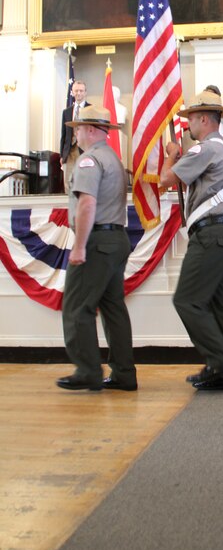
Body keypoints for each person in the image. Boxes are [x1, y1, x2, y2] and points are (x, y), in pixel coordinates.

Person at [159, 90, 223, 391]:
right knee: (219, 306)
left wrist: (171, 156)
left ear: (204, 119)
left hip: (211, 234)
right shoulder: (221, 148)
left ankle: (221, 363)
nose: (187, 125)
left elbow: (166, 180)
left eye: (191, 119)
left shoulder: (206, 148)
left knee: (188, 300)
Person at [56, 106, 137, 392]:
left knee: (77, 305)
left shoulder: (89, 161)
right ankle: (124, 373)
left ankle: (88, 370)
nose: (75, 133)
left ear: (91, 129)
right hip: (116, 240)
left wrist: (79, 247)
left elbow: (87, 203)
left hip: (97, 241)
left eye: (78, 128)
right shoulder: (113, 158)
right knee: (113, 308)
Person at [59, 80, 90, 191]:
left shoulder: (91, 109)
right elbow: (63, 135)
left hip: (85, 151)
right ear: (72, 92)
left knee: (85, 180)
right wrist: (62, 155)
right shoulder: (66, 112)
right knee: (68, 182)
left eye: (81, 91)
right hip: (69, 152)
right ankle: (69, 206)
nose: (78, 93)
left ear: (85, 92)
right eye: (76, 90)